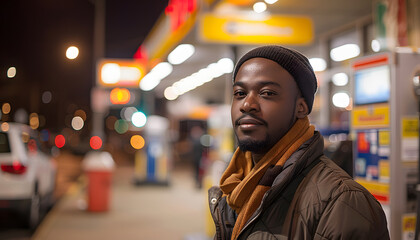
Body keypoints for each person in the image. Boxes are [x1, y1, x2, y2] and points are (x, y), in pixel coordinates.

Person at [208, 45, 389, 240]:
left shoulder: (343, 202)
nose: (247, 105)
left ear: (301, 108)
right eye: (239, 93)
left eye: (267, 93)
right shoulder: (233, 187)